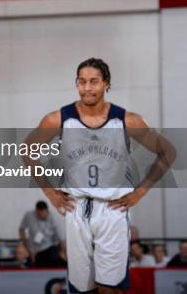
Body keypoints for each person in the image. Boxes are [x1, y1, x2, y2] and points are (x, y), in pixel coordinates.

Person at [23, 58, 176, 293]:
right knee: (81, 288)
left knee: (110, 289)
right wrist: (49, 192)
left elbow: (168, 152)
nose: (87, 87)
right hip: (76, 208)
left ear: (106, 83)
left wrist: (140, 192)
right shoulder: (58, 119)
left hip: (112, 209)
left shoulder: (127, 120)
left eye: (94, 81)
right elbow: (27, 150)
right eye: (81, 81)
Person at [19, 201, 64, 267]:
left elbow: (61, 238)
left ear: (47, 211)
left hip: (49, 249)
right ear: (36, 211)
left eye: (44, 214)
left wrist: (63, 251)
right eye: (40, 214)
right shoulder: (29, 215)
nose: (42, 216)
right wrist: (26, 246)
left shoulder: (54, 218)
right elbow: (21, 230)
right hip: (33, 250)